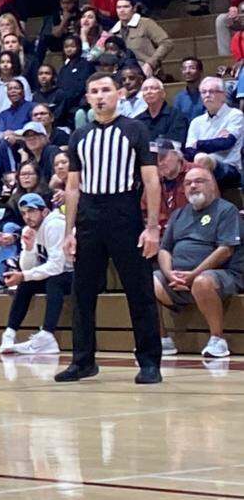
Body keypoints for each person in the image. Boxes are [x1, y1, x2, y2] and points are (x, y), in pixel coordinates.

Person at [57, 72, 162, 385]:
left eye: (106, 90)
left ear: (119, 93)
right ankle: (83, 360)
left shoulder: (135, 129)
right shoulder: (79, 136)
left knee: (139, 290)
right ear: (87, 98)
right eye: (94, 91)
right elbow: (72, 187)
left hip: (125, 213)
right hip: (89, 215)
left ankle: (149, 361)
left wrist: (152, 227)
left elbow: (151, 179)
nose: (100, 96)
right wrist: (68, 231)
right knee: (83, 292)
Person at [154, 166, 243, 359]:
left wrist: (193, 275)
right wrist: (170, 274)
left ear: (212, 185)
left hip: (221, 275)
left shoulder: (226, 210)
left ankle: (217, 340)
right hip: (179, 278)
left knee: (203, 281)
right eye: (188, 183)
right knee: (145, 282)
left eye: (199, 181)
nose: (193, 186)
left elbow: (226, 249)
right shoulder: (178, 214)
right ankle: (162, 340)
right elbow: (164, 249)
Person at [0, 193, 72, 356]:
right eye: (23, 213)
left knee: (55, 281)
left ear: (44, 211)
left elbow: (56, 267)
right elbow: (28, 267)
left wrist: (24, 275)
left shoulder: (55, 225)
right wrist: (30, 248)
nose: (27, 217)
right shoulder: (30, 230)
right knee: (26, 284)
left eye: (31, 211)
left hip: (80, 274)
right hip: (61, 273)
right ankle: (9, 333)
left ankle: (47, 335)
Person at [185, 76, 244, 188]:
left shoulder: (235, 115)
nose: (207, 95)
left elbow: (227, 143)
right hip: (199, 165)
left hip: (229, 168)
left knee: (202, 159)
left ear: (223, 95)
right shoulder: (196, 122)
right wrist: (216, 142)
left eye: (212, 91)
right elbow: (189, 151)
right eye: (203, 92)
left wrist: (198, 144)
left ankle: (211, 201)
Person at [112, 0, 173, 78]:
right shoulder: (113, 32)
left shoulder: (146, 23)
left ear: (134, 9)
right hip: (123, 74)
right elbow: (96, 54)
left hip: (148, 72)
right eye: (118, 7)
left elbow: (167, 43)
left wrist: (150, 63)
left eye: (126, 7)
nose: (122, 10)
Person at [136, 78, 188, 144]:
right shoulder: (138, 120)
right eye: (145, 89)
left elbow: (176, 143)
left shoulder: (176, 116)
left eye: (153, 88)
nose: (149, 92)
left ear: (163, 93)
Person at [174, 57, 206, 123]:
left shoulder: (208, 94)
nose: (187, 71)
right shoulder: (179, 97)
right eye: (184, 68)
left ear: (200, 71)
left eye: (192, 68)